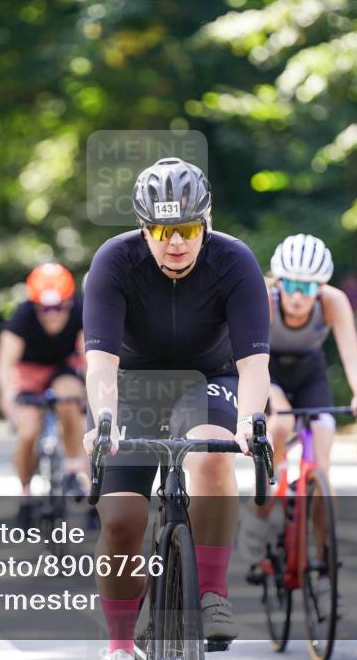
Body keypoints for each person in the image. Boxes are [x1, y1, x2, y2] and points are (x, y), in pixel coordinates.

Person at [82, 157, 270, 659]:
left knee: (210, 456)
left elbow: (254, 366)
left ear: (205, 223)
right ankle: (121, 644)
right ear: (143, 230)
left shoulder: (235, 261)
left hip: (210, 378)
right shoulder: (114, 261)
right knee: (121, 518)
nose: (176, 243)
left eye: (187, 229)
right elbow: (100, 366)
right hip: (132, 385)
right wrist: (102, 420)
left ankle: (211, 593)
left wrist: (252, 423)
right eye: (162, 230)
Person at [238, 234, 357, 562]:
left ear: (321, 288)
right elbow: (248, 359)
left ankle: (326, 556)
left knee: (323, 464)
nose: (299, 296)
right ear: (278, 282)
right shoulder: (263, 299)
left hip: (309, 372)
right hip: (267, 369)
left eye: (310, 288)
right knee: (281, 424)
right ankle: (262, 507)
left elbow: (352, 355)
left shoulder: (334, 301)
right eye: (291, 285)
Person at [0, 263, 87, 523]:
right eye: (44, 309)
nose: (52, 315)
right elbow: (4, 364)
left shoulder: (80, 311)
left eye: (58, 308)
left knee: (69, 397)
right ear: (34, 305)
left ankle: (71, 467)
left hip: (63, 367)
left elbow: (90, 357)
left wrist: (90, 394)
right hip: (30, 371)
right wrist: (7, 397)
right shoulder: (22, 317)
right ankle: (25, 492)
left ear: (69, 302)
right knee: (27, 431)